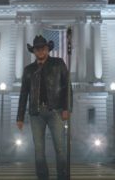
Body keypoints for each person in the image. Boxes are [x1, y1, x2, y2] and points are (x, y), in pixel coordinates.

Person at [17, 35, 72, 180]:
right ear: (34, 51)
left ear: (47, 49)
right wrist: (20, 117)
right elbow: (23, 94)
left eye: (43, 48)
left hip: (56, 110)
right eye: (37, 49)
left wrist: (67, 108)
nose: (40, 51)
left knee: (60, 148)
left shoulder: (58, 63)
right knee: (39, 150)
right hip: (36, 113)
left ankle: (63, 177)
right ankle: (42, 177)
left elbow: (67, 87)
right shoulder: (29, 69)